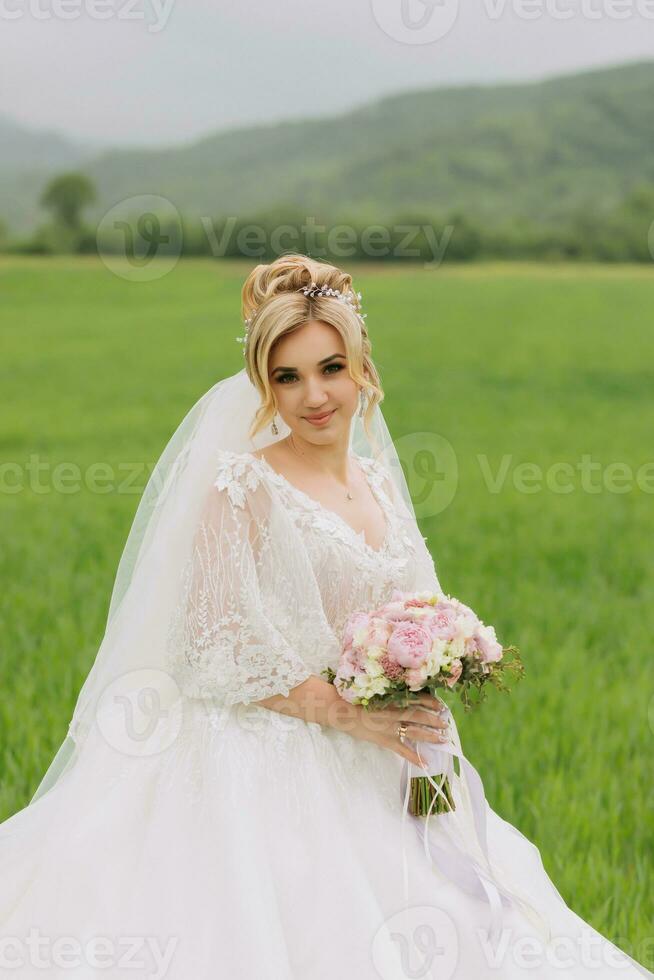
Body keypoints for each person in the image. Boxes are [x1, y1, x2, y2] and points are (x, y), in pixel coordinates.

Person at [0, 254, 650, 980]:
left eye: (330, 368)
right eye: (287, 376)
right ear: (262, 384)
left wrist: (431, 659)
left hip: (380, 748)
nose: (314, 395)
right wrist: (344, 714)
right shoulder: (241, 486)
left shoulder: (377, 480)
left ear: (362, 367)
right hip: (261, 754)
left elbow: (406, 604)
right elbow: (207, 648)